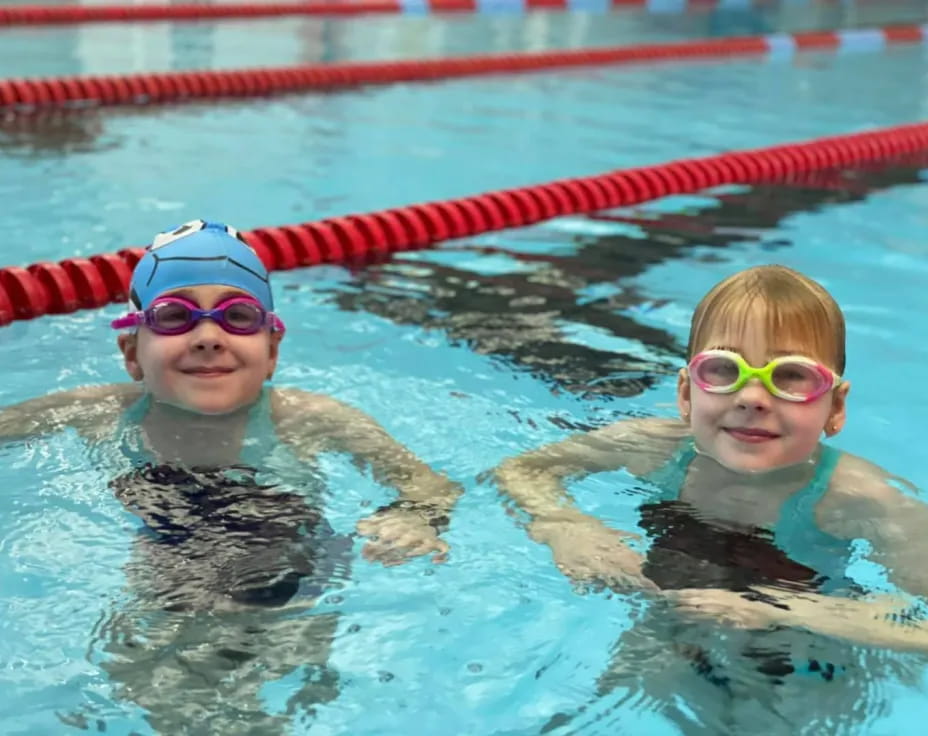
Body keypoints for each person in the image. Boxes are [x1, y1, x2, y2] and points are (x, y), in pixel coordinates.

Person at [0, 220, 461, 734]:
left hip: (293, 570)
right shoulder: (94, 412)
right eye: (174, 316)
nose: (207, 338)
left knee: (283, 686)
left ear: (272, 353)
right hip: (167, 561)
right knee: (142, 676)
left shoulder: (313, 419)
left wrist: (414, 518)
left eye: (237, 317)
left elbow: (430, 486)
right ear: (132, 354)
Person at [495, 265, 928, 732]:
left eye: (791, 376)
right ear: (686, 393)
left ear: (836, 408)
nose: (753, 397)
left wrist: (778, 609)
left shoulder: (855, 498)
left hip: (804, 655)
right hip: (671, 625)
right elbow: (522, 471)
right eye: (724, 370)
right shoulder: (652, 449)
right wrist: (567, 527)